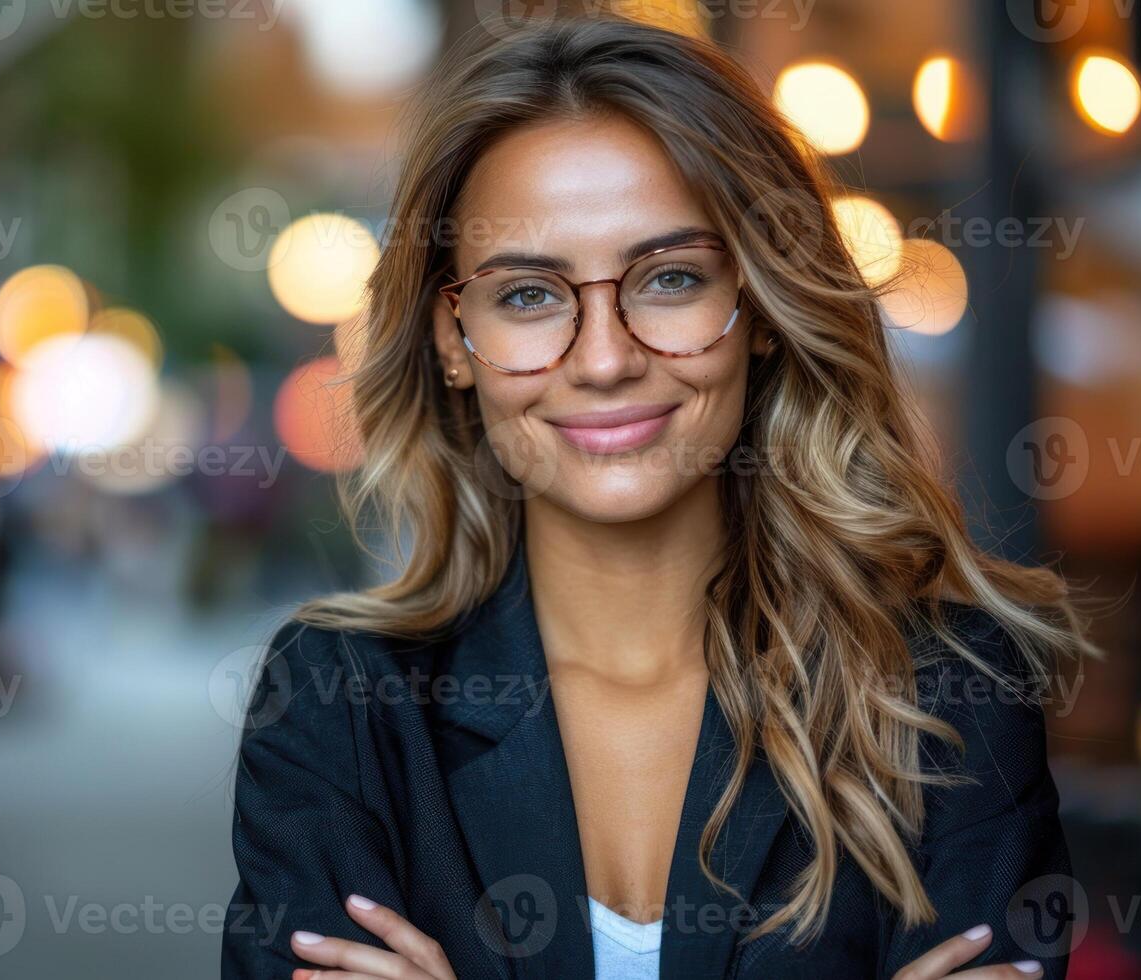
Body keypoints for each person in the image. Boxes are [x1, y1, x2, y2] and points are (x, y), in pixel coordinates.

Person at [224, 17, 1093, 979]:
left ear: (759, 306)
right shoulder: (335, 700)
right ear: (449, 338)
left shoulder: (950, 691)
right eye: (527, 295)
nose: (604, 360)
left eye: (671, 278)